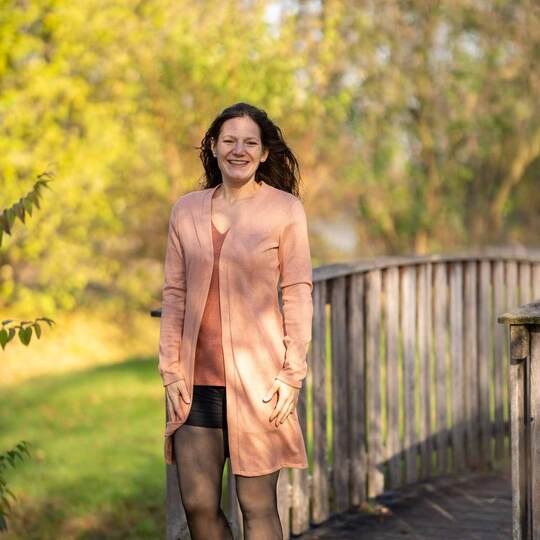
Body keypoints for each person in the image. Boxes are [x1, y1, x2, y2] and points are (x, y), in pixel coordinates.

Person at [158, 102, 313, 540]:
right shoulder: (185, 210)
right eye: (229, 140)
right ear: (213, 146)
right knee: (198, 506)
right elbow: (174, 294)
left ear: (263, 153)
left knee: (257, 506)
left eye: (249, 142)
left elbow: (297, 291)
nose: (238, 150)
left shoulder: (284, 210)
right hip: (195, 384)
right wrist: (171, 370)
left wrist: (291, 375)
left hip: (259, 384)